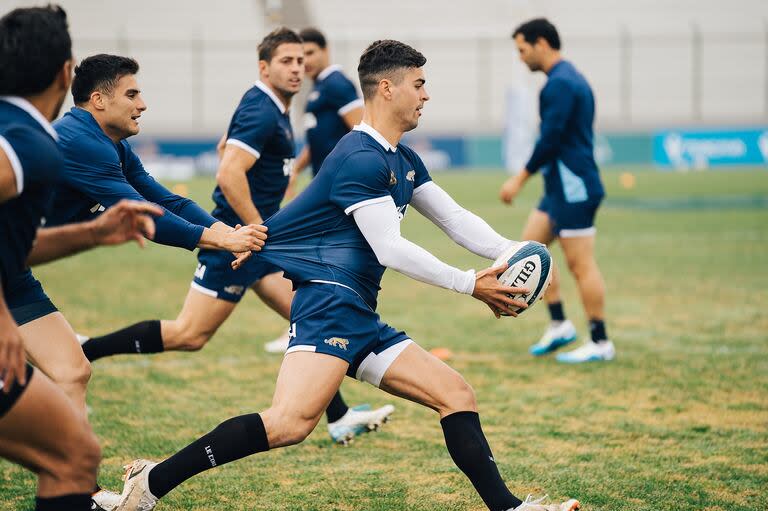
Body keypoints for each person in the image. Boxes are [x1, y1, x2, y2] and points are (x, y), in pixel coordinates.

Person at [100, 39, 580, 511]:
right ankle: (150, 482)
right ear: (388, 89)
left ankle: (511, 508)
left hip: (358, 312)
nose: (426, 95)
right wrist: (469, 283)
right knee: (289, 423)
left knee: (456, 394)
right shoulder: (360, 157)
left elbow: (454, 220)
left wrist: (508, 249)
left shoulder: (402, 158)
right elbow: (389, 247)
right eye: (419, 84)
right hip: (328, 307)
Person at [78, 28, 394, 445]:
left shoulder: (276, 107)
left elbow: (231, 153)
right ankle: (87, 349)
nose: (297, 68)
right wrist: (257, 231)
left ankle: (337, 417)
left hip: (253, 246)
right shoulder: (262, 108)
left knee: (311, 320)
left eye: (301, 60)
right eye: (286, 61)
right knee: (189, 334)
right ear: (264, 67)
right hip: (235, 247)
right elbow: (228, 173)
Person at [0, 6, 162, 510]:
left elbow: (14, 249)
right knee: (71, 454)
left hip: (15, 280)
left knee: (72, 376)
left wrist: (93, 234)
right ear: (66, 73)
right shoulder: (29, 141)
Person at [499, 18, 614, 363]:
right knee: (531, 249)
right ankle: (560, 324)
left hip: (574, 186)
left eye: (522, 50)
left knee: (580, 264)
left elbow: (550, 140)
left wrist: (518, 179)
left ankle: (600, 341)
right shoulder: (567, 78)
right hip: (559, 187)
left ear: (541, 44)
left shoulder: (560, 85)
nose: (520, 58)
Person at [264, 26, 364, 352]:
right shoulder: (319, 88)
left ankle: (310, 323)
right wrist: (297, 168)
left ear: (325, 50)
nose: (302, 63)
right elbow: (318, 138)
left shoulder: (337, 83)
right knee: (311, 256)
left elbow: (362, 130)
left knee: (311, 255)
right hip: (323, 188)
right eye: (295, 57)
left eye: (308, 54)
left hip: (338, 193)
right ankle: (301, 322)